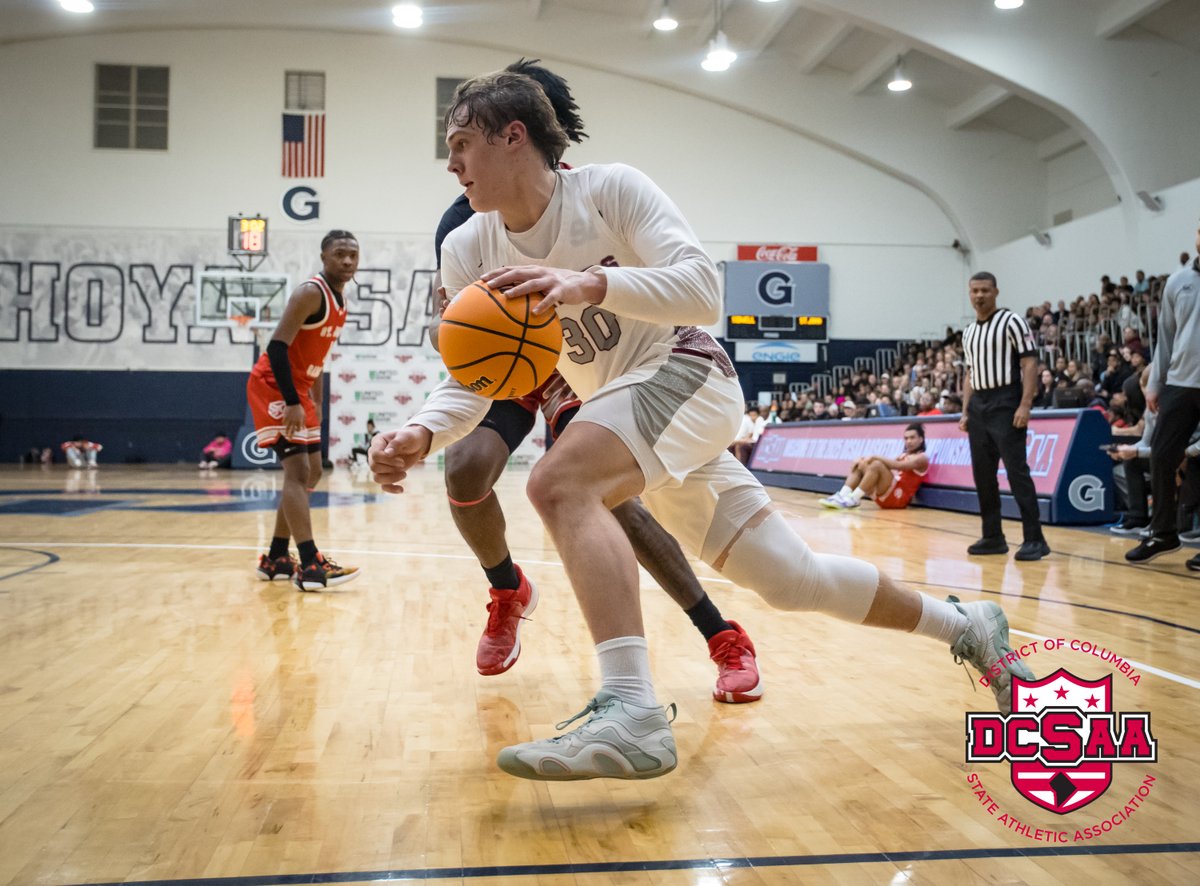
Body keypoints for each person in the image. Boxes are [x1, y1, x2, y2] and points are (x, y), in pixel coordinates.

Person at [370, 70, 1033, 782]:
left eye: (462, 143)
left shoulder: (610, 191)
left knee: (560, 482)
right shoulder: (469, 248)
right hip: (628, 410)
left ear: (513, 137)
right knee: (790, 579)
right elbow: (480, 375)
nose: (451, 164)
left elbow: (703, 290)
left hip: (686, 371)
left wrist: (589, 283)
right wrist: (422, 432)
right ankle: (966, 626)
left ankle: (631, 709)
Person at [429, 59, 760, 701]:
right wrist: (424, 422)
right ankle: (506, 590)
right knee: (464, 468)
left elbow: (685, 285)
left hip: (576, 361)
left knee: (601, 494)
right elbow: (461, 326)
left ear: (526, 136)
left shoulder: (598, 198)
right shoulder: (466, 227)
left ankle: (719, 633)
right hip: (514, 356)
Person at [247, 230, 361, 591]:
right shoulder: (311, 293)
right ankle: (311, 564)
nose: (347, 261)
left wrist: (317, 403)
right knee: (297, 471)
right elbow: (277, 348)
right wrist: (294, 402)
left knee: (311, 472)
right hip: (274, 385)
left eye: (353, 255)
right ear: (324, 257)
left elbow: (316, 358)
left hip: (300, 388)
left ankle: (277, 556)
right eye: (340, 254)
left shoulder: (339, 300)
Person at [959, 272, 1050, 561]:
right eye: (974, 290)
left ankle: (1035, 539)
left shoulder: (1012, 321)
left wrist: (1025, 404)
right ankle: (993, 536)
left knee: (1016, 472)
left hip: (1006, 401)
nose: (979, 295)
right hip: (979, 406)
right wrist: (965, 411)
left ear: (996, 292)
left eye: (985, 290)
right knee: (983, 475)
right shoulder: (969, 331)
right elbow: (970, 374)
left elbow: (1029, 363)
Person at [1127, 223, 1200, 569]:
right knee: (1162, 455)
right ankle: (1163, 532)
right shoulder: (1178, 281)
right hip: (1180, 382)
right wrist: (1155, 383)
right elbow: (1166, 337)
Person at [818, 423, 930, 510]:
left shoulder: (922, 458)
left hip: (898, 499)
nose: (908, 441)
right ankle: (843, 495)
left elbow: (898, 466)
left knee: (877, 464)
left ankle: (853, 498)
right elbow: (888, 467)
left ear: (921, 439)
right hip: (885, 493)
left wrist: (875, 457)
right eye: (906, 438)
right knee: (860, 463)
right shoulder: (903, 455)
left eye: (912, 438)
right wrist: (864, 462)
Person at [1109, 367, 1155, 536]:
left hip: (1183, 456)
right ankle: (1138, 518)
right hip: (1164, 454)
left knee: (1160, 463)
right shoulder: (1149, 409)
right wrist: (1131, 450)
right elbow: (1146, 441)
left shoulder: (1172, 404)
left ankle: (1163, 523)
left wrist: (1135, 451)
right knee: (1130, 461)